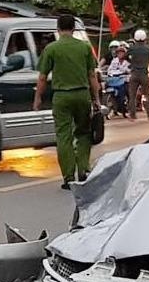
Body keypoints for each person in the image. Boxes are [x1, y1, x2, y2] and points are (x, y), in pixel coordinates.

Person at [34, 14, 100, 189]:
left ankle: (68, 177)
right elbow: (92, 75)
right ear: (73, 28)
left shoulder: (51, 49)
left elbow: (42, 77)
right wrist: (97, 99)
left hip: (61, 97)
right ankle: (83, 169)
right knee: (84, 133)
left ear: (58, 28)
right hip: (82, 95)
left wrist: (38, 99)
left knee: (64, 136)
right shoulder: (84, 47)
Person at [126, 29, 149, 120]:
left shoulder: (131, 49)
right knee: (146, 95)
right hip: (144, 75)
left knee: (132, 96)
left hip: (134, 74)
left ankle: (132, 115)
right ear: (145, 38)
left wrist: (132, 63)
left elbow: (126, 57)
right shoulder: (148, 49)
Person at [105, 43, 132, 115]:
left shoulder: (128, 61)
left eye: (122, 53)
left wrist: (126, 71)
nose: (120, 54)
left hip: (125, 80)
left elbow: (130, 70)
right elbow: (110, 70)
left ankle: (128, 106)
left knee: (127, 91)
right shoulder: (114, 61)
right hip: (115, 80)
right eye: (118, 53)